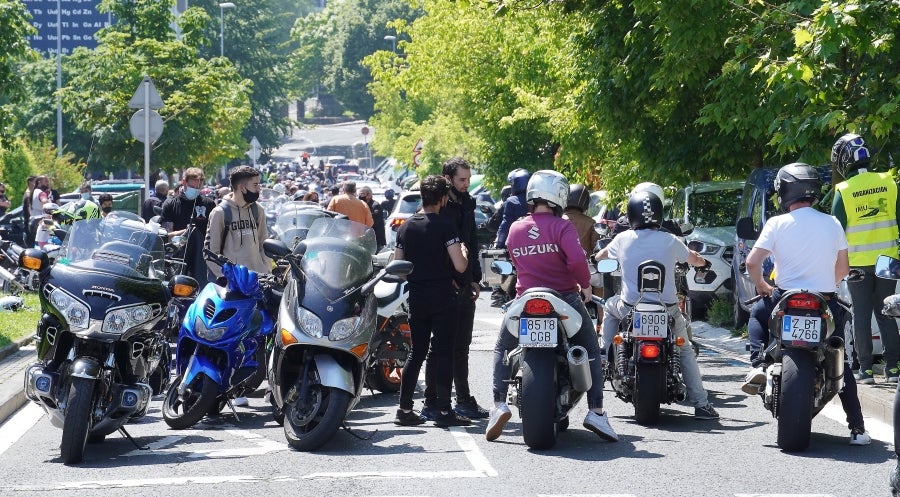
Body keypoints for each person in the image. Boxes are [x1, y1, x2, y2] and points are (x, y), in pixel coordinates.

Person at [741, 162, 870, 445]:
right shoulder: (832, 223)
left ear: (784, 191)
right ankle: (858, 429)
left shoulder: (776, 223)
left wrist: (763, 286)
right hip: (824, 301)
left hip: (785, 297)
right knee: (840, 357)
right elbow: (843, 268)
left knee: (757, 314)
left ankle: (757, 366)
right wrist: (829, 287)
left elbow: (752, 263)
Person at [486, 170, 618, 443]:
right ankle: (595, 410)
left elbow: (515, 263)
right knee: (591, 347)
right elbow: (578, 264)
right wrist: (586, 287)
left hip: (525, 299)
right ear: (558, 196)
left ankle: (499, 404)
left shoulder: (515, 228)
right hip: (564, 298)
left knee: (503, 347)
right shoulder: (562, 226)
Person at [595, 188, 720, 420]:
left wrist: (596, 257)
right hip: (668, 308)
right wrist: (702, 263)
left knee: (609, 309)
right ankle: (701, 404)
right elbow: (693, 259)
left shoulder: (622, 239)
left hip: (630, 307)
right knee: (685, 351)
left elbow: (600, 256)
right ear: (660, 215)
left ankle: (605, 354)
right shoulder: (671, 240)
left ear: (631, 215)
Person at [392, 175, 471, 428]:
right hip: (442, 297)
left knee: (417, 352)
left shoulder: (405, 227)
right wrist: (465, 253)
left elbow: (399, 269)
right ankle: (444, 410)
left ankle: (404, 409)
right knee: (445, 352)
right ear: (443, 198)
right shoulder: (446, 224)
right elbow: (459, 265)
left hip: (417, 296)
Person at [420, 157, 488, 421]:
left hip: (465, 283)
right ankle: (433, 401)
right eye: (462, 179)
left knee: (462, 346)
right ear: (447, 178)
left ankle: (463, 399)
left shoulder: (468, 203)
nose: (466, 184)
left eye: (468, 179)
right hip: (444, 284)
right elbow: (433, 245)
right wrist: (446, 278)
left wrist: (474, 278)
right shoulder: (438, 207)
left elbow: (471, 240)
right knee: (439, 347)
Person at [830, 133, 900, 384]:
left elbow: (835, 231)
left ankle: (866, 371)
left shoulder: (845, 190)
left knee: (861, 314)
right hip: (888, 260)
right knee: (888, 312)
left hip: (857, 262)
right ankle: (893, 370)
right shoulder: (888, 181)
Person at [204, 166, 272, 408]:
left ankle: (266, 385)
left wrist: (270, 271)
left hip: (260, 284)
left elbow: (265, 244)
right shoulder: (221, 213)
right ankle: (229, 387)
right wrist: (225, 280)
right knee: (232, 338)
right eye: (256, 185)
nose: (259, 189)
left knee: (263, 335)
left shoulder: (258, 211)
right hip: (233, 287)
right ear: (242, 187)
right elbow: (211, 253)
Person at [159, 167, 217, 286]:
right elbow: (166, 235)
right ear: (184, 182)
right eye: (193, 187)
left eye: (198, 188)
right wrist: (186, 233)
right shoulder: (171, 204)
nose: (196, 190)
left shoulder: (209, 204)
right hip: (178, 259)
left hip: (202, 261)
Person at [492, 169, 531, 249]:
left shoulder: (511, 201)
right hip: (538, 241)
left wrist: (499, 244)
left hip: (517, 245)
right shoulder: (536, 199)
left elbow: (505, 224)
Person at [358, 186, 385, 251]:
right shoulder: (361, 205)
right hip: (364, 238)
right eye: (359, 194)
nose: (360, 196)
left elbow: (373, 220)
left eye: (361, 194)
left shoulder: (375, 206)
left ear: (369, 195)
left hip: (375, 239)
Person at [29, 176, 51, 248]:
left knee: (37, 245)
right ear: (39, 182)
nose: (47, 184)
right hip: (42, 222)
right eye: (46, 182)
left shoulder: (33, 192)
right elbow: (45, 201)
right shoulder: (41, 193)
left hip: (33, 222)